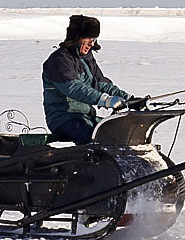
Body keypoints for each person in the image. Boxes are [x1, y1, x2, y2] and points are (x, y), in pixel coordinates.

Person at [42, 15, 146, 144]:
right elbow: (74, 88)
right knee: (94, 140)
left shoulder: (86, 59)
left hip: (86, 116)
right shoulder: (58, 61)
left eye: (94, 39)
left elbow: (102, 84)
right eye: (88, 38)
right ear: (75, 37)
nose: (91, 43)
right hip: (63, 119)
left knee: (117, 134)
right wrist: (105, 100)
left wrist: (129, 99)